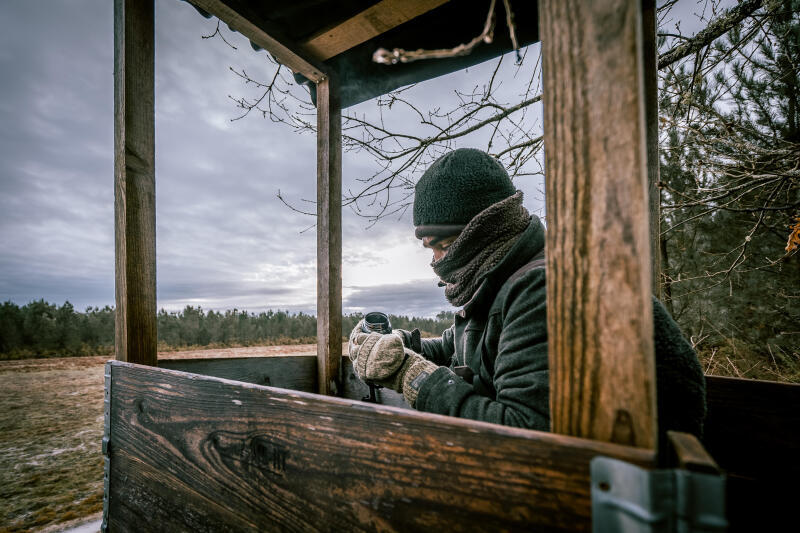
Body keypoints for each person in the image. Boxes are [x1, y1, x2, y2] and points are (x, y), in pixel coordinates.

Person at [349, 148, 706, 443]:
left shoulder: (545, 287)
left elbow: (526, 434)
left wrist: (412, 376)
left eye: (442, 246)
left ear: (480, 232)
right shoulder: (499, 279)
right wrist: (397, 346)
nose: (436, 263)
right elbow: (460, 345)